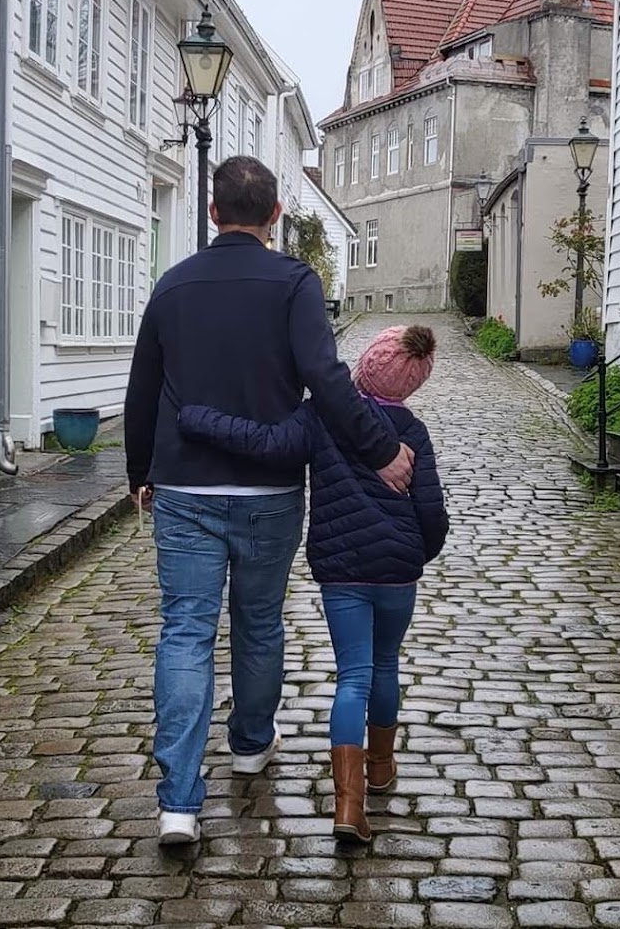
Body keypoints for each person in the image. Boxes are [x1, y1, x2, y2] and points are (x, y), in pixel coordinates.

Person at [124, 156, 416, 845]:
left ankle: (178, 802)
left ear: (212, 211)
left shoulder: (172, 286)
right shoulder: (294, 284)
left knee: (186, 631)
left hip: (186, 487)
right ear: (276, 214)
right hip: (269, 491)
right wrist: (382, 449)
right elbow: (326, 376)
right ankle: (252, 741)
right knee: (258, 623)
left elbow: (143, 388)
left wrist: (141, 469)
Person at [179, 324, 449, 843]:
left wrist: (199, 418)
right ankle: (381, 768)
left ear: (368, 362)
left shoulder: (322, 415)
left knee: (353, 677)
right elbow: (432, 513)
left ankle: (350, 806)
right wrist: (417, 553)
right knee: (386, 665)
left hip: (341, 572)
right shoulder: (413, 432)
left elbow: (267, 442)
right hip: (397, 574)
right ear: (413, 382)